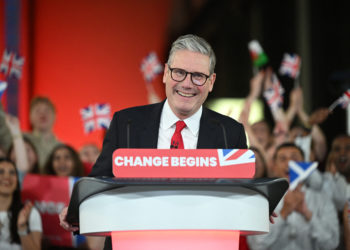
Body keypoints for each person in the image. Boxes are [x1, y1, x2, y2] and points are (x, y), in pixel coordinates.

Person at [59, 34, 248, 250]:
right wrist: (79, 211)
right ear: (166, 73)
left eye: (198, 76)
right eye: (179, 73)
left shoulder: (230, 132)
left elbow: (240, 196)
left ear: (211, 81)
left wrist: (258, 205)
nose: (187, 84)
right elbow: (100, 182)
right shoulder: (127, 123)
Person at [247, 143, 339, 250]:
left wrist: (308, 215)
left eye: (294, 158)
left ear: (304, 164)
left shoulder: (322, 199)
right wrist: (283, 213)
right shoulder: (261, 201)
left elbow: (332, 244)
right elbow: (256, 245)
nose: (289, 164)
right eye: (283, 159)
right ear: (274, 166)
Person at [0, 158, 42, 250]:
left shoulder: (29, 213)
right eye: (1, 172)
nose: (7, 177)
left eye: (12, 173)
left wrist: (22, 228)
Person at [25, 96, 61, 172]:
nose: (42, 114)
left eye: (47, 110)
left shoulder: (62, 147)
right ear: (30, 117)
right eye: (37, 111)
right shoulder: (21, 139)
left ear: (55, 116)